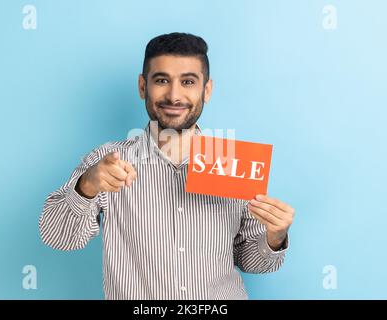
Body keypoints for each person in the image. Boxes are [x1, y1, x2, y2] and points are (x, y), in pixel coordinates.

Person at [39, 32, 295, 300]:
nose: (174, 95)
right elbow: (58, 238)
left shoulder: (234, 165)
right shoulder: (106, 161)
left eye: (188, 82)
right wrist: (86, 187)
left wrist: (275, 237)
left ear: (206, 90)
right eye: (162, 80)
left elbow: (252, 261)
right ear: (142, 87)